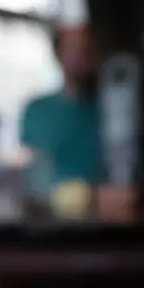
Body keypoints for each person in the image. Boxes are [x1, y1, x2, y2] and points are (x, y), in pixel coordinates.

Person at [21, 26, 102, 186]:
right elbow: (34, 172)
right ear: (59, 55)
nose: (82, 56)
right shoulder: (38, 110)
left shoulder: (113, 112)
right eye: (75, 49)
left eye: (87, 49)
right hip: (54, 206)